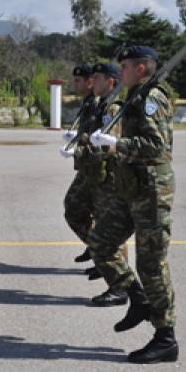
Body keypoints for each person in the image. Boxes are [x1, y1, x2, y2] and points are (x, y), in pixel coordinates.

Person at [88, 46, 178, 364]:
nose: (120, 71)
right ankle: (138, 298)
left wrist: (117, 144)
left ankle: (165, 337)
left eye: (125, 66)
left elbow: (157, 147)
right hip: (130, 189)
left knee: (151, 265)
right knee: (100, 242)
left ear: (141, 68)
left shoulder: (153, 98)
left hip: (152, 192)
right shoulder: (134, 96)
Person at [80, 63, 130, 307]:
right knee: (104, 227)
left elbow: (111, 145)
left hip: (110, 176)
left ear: (110, 81)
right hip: (100, 175)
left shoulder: (113, 108)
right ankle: (112, 273)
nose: (93, 82)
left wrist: (83, 151)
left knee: (113, 233)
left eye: (97, 78)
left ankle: (120, 285)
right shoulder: (102, 104)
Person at [59, 64, 99, 271]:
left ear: (90, 82)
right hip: (86, 166)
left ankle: (102, 253)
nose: (74, 84)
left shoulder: (98, 103)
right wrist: (76, 137)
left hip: (96, 166)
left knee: (77, 208)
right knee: (76, 208)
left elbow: (98, 136)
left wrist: (78, 144)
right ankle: (98, 249)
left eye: (78, 80)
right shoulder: (88, 102)